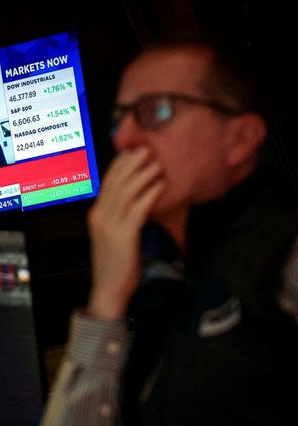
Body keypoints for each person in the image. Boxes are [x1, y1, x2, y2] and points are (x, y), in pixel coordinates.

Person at [42, 36, 298, 425]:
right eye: (120, 118)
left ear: (239, 139)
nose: (123, 138)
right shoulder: (162, 287)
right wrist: (107, 298)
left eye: (156, 111)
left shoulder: (285, 257)